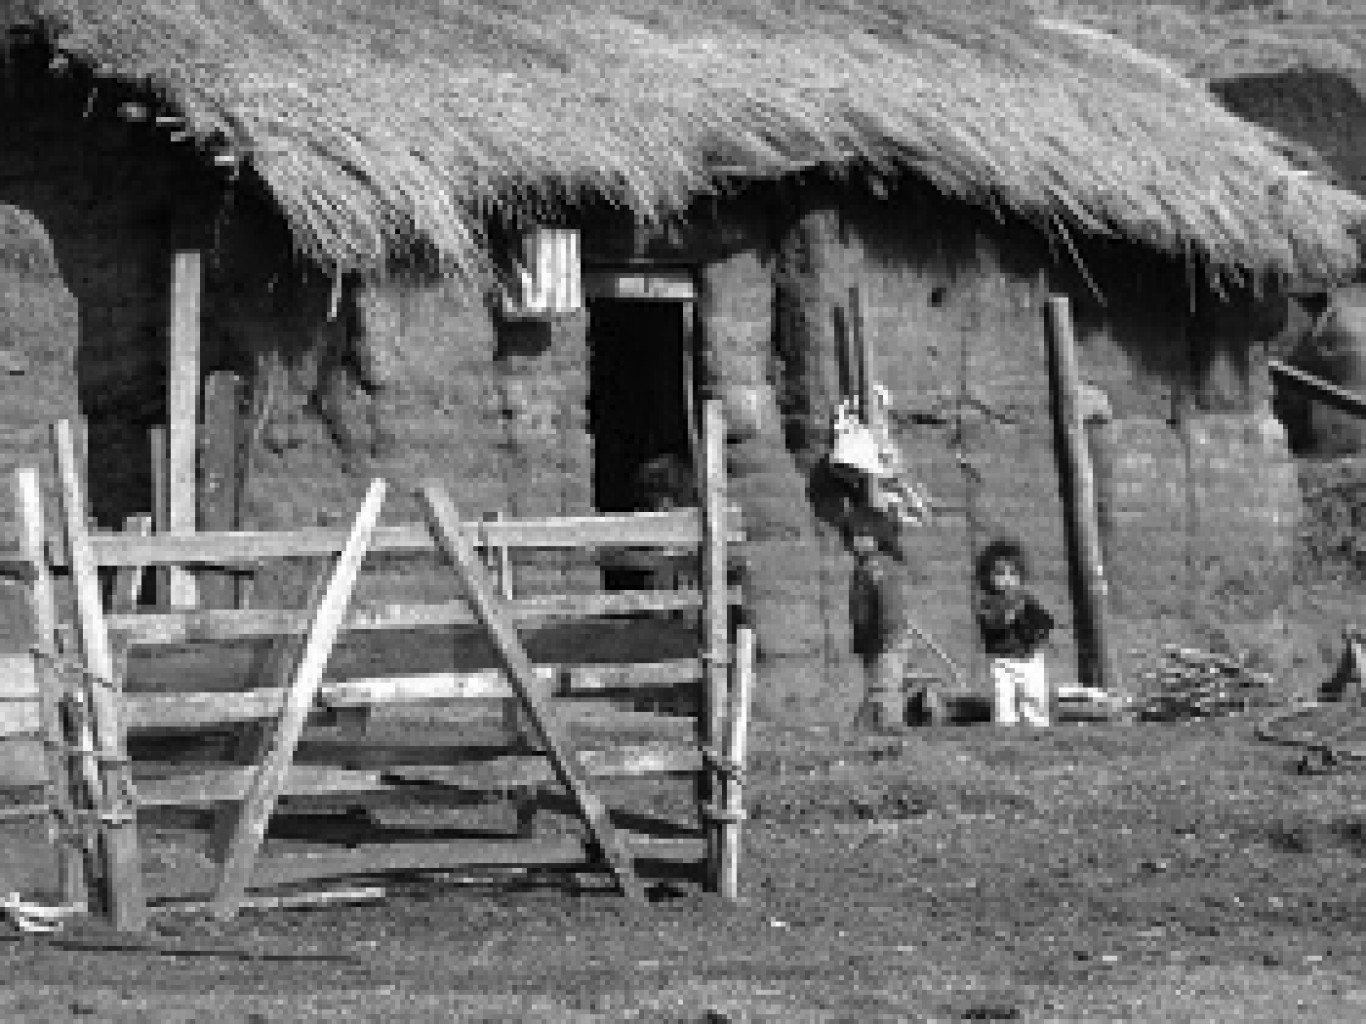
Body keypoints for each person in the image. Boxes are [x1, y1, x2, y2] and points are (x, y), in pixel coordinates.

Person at [849, 504, 942, 731]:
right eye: (854, 536)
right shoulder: (865, 567)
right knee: (878, 686)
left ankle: (892, 729)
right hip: (875, 640)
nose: (857, 542)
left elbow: (889, 606)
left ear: (879, 537)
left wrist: (885, 638)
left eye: (864, 536)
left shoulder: (878, 568)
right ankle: (874, 728)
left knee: (885, 688)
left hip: (886, 640)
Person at [975, 538, 1055, 727]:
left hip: (1030, 658)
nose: (1007, 580)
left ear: (1021, 577)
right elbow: (991, 626)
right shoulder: (987, 603)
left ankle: (1037, 726)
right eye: (1000, 574)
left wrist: (1039, 629)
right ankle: (1005, 727)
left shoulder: (1026, 599)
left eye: (1013, 574)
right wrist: (1005, 617)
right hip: (1002, 660)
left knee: (1034, 695)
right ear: (987, 577)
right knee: (1003, 698)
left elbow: (1045, 621)